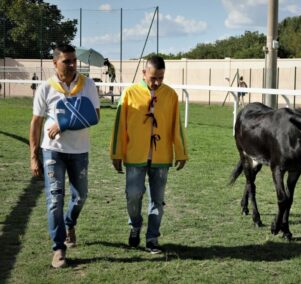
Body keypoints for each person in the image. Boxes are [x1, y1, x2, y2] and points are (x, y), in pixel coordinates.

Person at [29, 44, 100, 268]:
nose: (71, 65)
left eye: (73, 61)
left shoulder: (87, 85)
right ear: (54, 63)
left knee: (80, 197)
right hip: (53, 151)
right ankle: (58, 248)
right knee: (54, 200)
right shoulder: (45, 88)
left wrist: (63, 123)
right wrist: (33, 156)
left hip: (79, 151)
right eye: (66, 61)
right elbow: (36, 123)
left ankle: (70, 223)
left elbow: (95, 116)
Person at [110, 55, 188, 254]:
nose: (157, 82)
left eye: (161, 78)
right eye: (153, 77)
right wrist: (116, 153)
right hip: (135, 156)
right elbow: (120, 126)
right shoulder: (129, 93)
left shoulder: (170, 95)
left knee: (157, 201)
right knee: (133, 195)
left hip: (161, 158)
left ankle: (152, 238)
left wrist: (181, 152)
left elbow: (175, 125)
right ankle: (135, 225)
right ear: (144, 73)